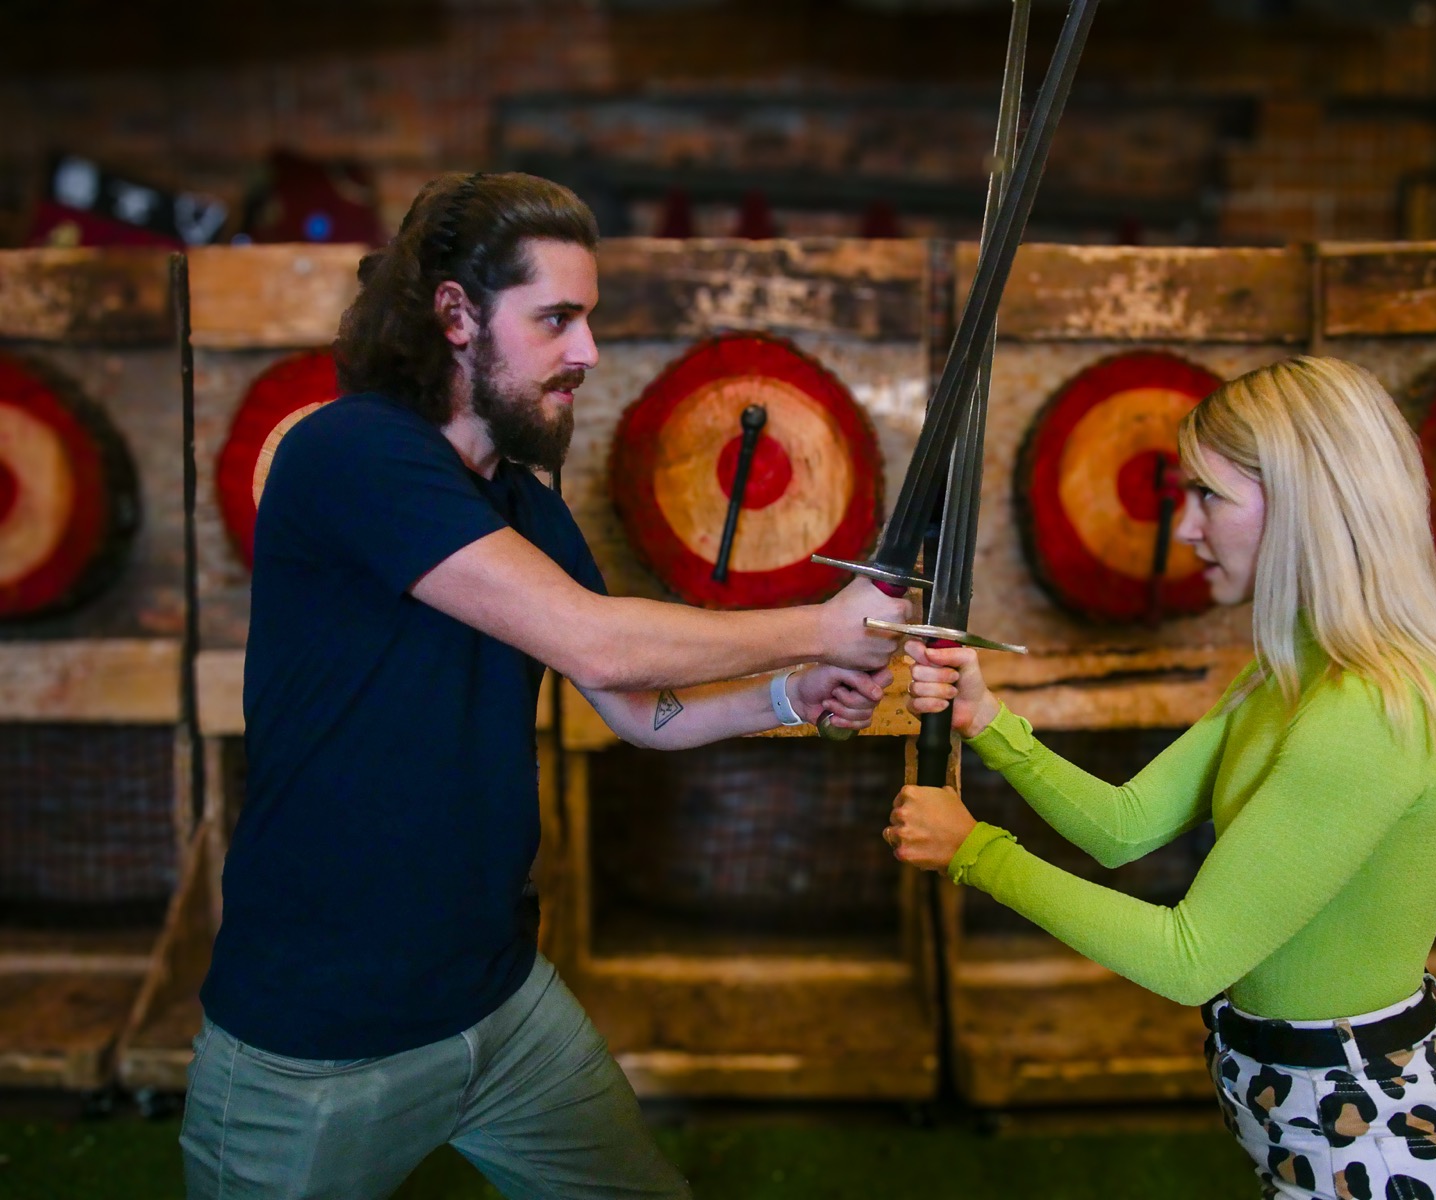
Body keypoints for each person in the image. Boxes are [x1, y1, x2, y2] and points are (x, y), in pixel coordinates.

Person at [180, 172, 909, 1199]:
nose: (588, 353)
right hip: (315, 1040)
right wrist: (826, 625)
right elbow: (600, 642)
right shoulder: (351, 451)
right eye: (557, 319)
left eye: (588, 319)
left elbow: (636, 709)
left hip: (499, 1004)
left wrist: (794, 691)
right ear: (454, 316)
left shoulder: (522, 505)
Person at [888, 356, 1436, 1200]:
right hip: (1310, 1109)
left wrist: (976, 851)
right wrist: (988, 722)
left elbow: (1189, 958)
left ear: (1303, 506)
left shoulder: (1372, 711)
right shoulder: (1289, 675)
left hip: (1379, 1137)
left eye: (1208, 495)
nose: (1184, 526)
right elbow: (1124, 825)